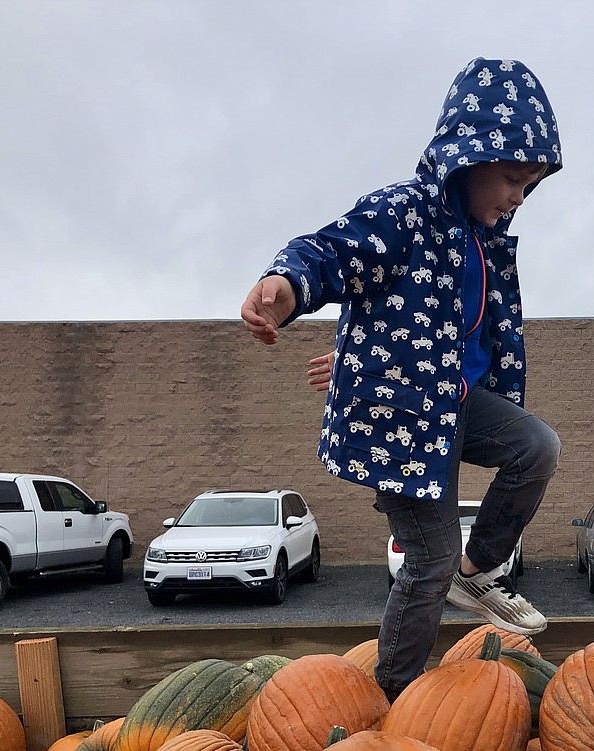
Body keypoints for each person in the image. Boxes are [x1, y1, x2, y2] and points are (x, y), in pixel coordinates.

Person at [240, 58, 563, 702]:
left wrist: (365, 359)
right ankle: (394, 696)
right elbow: (334, 251)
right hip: (404, 431)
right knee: (427, 558)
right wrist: (287, 285)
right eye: (509, 179)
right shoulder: (405, 214)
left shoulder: (485, 244)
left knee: (537, 446)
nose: (517, 198)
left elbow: (438, 335)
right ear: (469, 157)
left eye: (528, 186)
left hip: (459, 404)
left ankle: (477, 572)